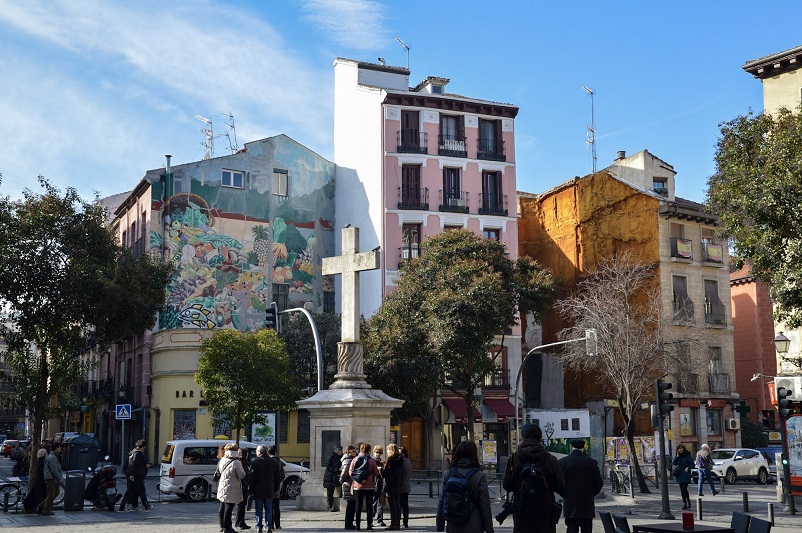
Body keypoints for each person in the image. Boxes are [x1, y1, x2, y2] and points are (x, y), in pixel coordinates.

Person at [502, 424, 566, 533]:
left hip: (522, 510)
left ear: (523, 438)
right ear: (540, 438)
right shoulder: (551, 460)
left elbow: (507, 485)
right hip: (545, 512)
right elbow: (561, 487)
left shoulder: (513, 459)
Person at [436, 440, 494, 533]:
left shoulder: (449, 474)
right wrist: (489, 529)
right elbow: (484, 505)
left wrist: (440, 525)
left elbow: (442, 501)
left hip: (453, 522)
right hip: (474, 523)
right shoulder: (479, 475)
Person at [558, 439, 603, 533]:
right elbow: (598, 483)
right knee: (586, 529)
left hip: (570, 503)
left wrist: (564, 494)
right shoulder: (591, 462)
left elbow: (558, 482)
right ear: (583, 448)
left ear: (571, 447)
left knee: (571, 528)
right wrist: (591, 493)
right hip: (587, 503)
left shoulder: (563, 462)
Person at [349, 441, 381, 531]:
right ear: (369, 450)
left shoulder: (355, 459)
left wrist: (358, 480)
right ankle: (369, 525)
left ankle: (358, 525)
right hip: (369, 486)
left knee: (358, 506)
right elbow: (376, 473)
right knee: (369, 506)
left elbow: (350, 472)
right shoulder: (371, 461)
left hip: (357, 486)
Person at [250, 444, 282, 533]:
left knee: (259, 509)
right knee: (269, 509)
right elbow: (277, 477)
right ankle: (269, 527)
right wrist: (276, 488)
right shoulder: (274, 462)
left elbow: (252, 477)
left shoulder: (256, 462)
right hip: (269, 489)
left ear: (260, 452)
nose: (256, 453)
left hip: (258, 490)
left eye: (256, 451)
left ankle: (258, 527)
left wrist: (251, 490)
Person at [218, 442, 247, 533]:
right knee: (229, 507)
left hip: (223, 485)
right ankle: (227, 527)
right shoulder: (236, 462)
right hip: (232, 486)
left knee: (222, 506)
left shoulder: (223, 459)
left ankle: (222, 526)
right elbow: (242, 475)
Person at [120, 440, 152, 512]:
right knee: (141, 491)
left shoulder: (133, 452)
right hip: (137, 476)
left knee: (130, 491)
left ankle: (122, 506)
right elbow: (134, 464)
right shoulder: (138, 454)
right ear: (143, 447)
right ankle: (147, 506)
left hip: (134, 475)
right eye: (144, 447)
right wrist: (132, 474)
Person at [37, 442, 65, 515]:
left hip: (52, 478)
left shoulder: (54, 456)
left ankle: (41, 506)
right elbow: (54, 470)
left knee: (56, 493)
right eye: (59, 447)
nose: (60, 449)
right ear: (56, 448)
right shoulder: (52, 457)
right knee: (51, 494)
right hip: (51, 478)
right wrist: (60, 478)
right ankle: (46, 510)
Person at [382, 443, 404, 531]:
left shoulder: (391, 460)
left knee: (393, 506)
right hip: (398, 484)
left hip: (391, 484)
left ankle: (393, 523)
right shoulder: (400, 459)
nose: (386, 451)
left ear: (391, 450)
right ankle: (397, 523)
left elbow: (387, 474)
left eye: (387, 450)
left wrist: (382, 469)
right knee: (397, 504)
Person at [22, 448, 47, 514]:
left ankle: (32, 507)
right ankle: (39, 508)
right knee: (40, 496)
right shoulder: (43, 462)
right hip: (41, 482)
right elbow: (43, 472)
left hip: (37, 481)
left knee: (36, 495)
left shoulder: (39, 461)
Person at [340, 445, 358, 531]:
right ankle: (348, 523)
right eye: (353, 451)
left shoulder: (351, 459)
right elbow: (344, 473)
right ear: (348, 452)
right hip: (348, 484)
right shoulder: (348, 460)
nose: (355, 452)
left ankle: (349, 523)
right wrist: (341, 480)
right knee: (351, 505)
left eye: (355, 451)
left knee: (352, 505)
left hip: (350, 483)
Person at [266, 445, 284, 530]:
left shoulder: (268, 461)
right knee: (276, 506)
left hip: (268, 487)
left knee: (269, 506)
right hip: (277, 487)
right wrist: (278, 482)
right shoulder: (279, 461)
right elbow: (282, 475)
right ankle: (277, 524)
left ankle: (270, 524)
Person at [235, 447, 252, 530]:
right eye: (246, 453)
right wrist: (245, 484)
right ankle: (238, 522)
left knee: (243, 505)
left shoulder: (245, 462)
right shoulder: (240, 462)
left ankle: (242, 521)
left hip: (245, 486)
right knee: (241, 505)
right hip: (242, 486)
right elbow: (241, 475)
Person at [673, 444, 694, 509]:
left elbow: (692, 464)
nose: (680, 449)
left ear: (683, 449)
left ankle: (688, 501)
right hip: (679, 475)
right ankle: (684, 503)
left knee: (684, 488)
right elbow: (674, 463)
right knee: (682, 490)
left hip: (686, 474)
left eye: (681, 448)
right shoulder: (678, 456)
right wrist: (677, 456)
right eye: (679, 448)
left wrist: (688, 467)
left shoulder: (687, 455)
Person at [325, 445, 344, 512]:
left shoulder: (342, 457)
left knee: (343, 489)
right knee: (330, 492)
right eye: (340, 450)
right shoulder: (331, 457)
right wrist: (337, 469)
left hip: (338, 476)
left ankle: (343, 504)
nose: (341, 452)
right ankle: (329, 506)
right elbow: (328, 466)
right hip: (331, 477)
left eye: (341, 450)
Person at [372, 445, 386, 527]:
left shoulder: (380, 461)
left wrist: (384, 466)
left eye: (380, 452)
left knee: (380, 502)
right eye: (377, 452)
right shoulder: (372, 461)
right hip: (374, 483)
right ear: (373, 452)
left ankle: (380, 520)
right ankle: (371, 519)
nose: (378, 454)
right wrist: (377, 468)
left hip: (380, 483)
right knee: (373, 502)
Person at [399, 447, 412, 529]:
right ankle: (405, 521)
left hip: (401, 485)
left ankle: (399, 520)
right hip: (407, 485)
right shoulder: (407, 460)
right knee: (405, 504)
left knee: (400, 504)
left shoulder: (402, 460)